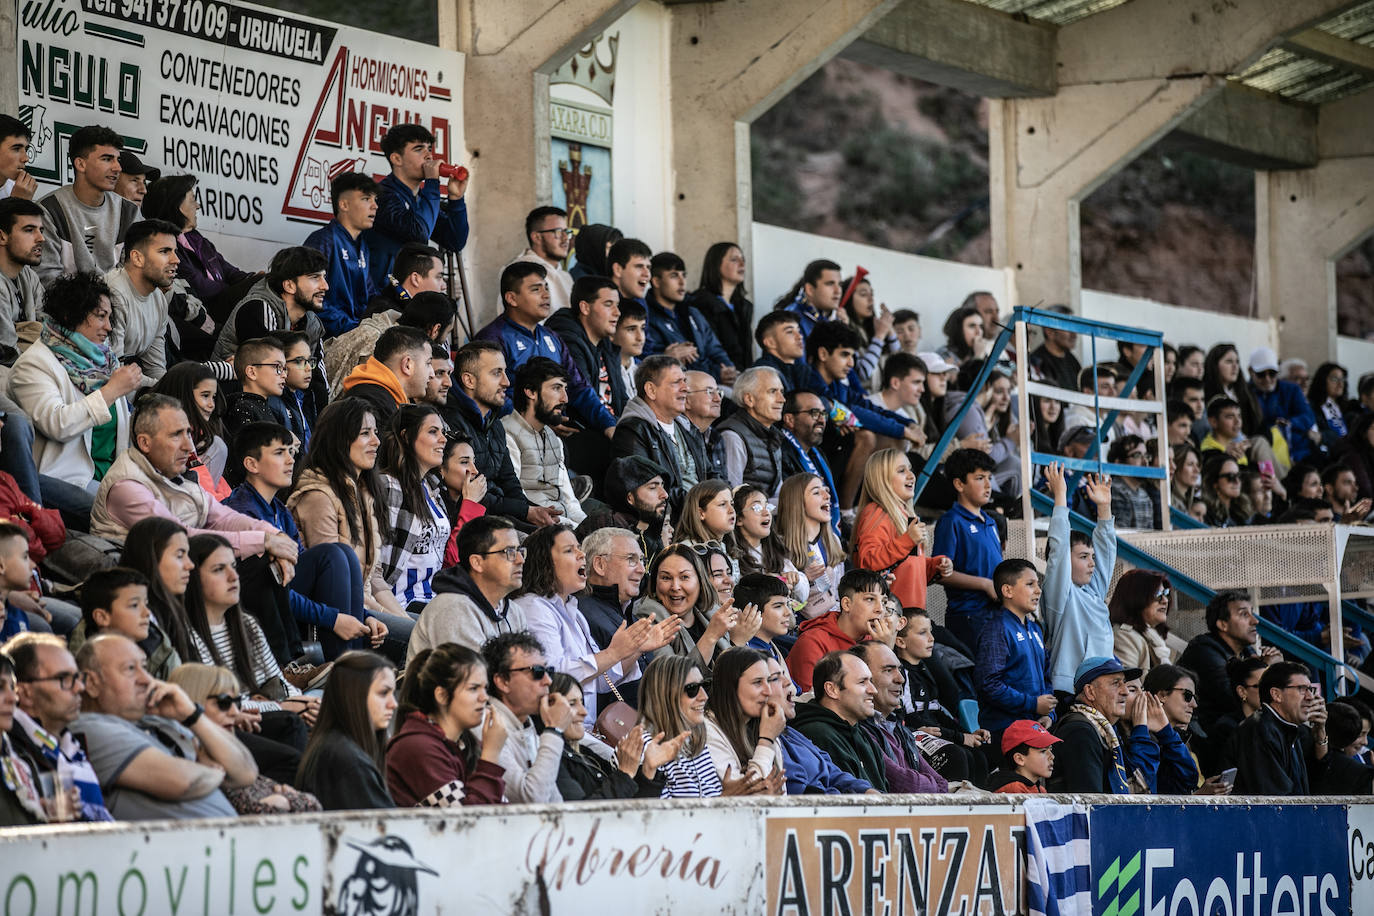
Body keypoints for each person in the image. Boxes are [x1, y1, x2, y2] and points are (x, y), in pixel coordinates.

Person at [224, 422, 386, 661]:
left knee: (341, 552)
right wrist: (334, 619)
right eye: (280, 453)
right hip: (257, 616)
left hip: (288, 608)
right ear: (252, 464)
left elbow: (300, 569)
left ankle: (353, 666)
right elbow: (270, 591)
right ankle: (346, 670)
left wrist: (363, 616)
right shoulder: (242, 514)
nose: (291, 460)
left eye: (291, 452)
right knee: (331, 555)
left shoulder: (278, 508)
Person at [72, 633, 257, 819]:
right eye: (130, 669)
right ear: (92, 683)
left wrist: (192, 716)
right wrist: (214, 770)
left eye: (144, 667)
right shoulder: (90, 728)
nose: (146, 679)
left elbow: (246, 772)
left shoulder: (159, 719)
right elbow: (182, 781)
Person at [512, 524, 673, 725]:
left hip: (584, 731)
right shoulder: (533, 607)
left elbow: (600, 680)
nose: (582, 555)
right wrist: (614, 653)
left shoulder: (574, 611)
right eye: (569, 550)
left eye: (579, 548)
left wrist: (635, 649)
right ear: (545, 560)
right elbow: (552, 676)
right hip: (556, 731)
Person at [8, 272, 136, 517]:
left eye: (109, 318)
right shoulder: (33, 365)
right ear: (70, 316)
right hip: (65, 483)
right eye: (100, 317)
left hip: (113, 479)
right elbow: (57, 424)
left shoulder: (103, 362)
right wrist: (111, 391)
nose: (108, 327)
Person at [287, 399, 410, 642]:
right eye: (365, 433)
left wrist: (401, 620)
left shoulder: (365, 491)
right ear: (340, 439)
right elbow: (334, 584)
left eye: (375, 432)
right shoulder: (318, 496)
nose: (376, 441)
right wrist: (389, 620)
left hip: (367, 610)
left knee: (428, 633)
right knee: (424, 641)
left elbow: (374, 578)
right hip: (340, 620)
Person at [475, 261, 616, 433]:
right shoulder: (493, 338)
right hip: (510, 435)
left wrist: (609, 425)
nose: (546, 295)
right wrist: (538, 419)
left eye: (546, 288)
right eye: (536, 289)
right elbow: (491, 395)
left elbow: (578, 386)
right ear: (511, 298)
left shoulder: (551, 336)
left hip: (552, 430)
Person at [166, 663, 320, 814]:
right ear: (192, 704)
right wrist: (284, 801)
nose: (235, 712)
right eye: (224, 703)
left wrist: (287, 800)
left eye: (237, 702)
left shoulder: (224, 756)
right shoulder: (195, 764)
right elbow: (257, 811)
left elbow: (312, 805)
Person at [805, 321, 922, 507]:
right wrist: (902, 430)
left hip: (837, 454)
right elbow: (854, 413)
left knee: (893, 441)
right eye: (844, 355)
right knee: (866, 437)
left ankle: (883, 507)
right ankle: (845, 511)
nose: (851, 363)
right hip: (817, 459)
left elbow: (867, 407)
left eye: (852, 356)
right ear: (823, 354)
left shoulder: (838, 386)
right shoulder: (811, 383)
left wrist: (908, 423)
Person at [3, 632, 113, 821]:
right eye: (64, 679)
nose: (80, 687)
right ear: (25, 693)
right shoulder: (12, 749)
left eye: (77, 677)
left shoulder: (69, 745)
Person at [386, 643, 507, 807]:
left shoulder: (464, 745)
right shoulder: (418, 748)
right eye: (473, 688)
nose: (484, 697)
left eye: (485, 689)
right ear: (442, 695)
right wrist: (491, 755)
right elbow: (467, 823)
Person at [324, 247, 450, 398]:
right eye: (438, 277)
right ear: (416, 278)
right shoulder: (380, 327)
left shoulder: (401, 316)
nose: (443, 286)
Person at [445, 340, 544, 526]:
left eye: (505, 372)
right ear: (469, 380)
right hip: (474, 525)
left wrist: (530, 512)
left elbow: (509, 481)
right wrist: (525, 512)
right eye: (497, 373)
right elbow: (472, 492)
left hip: (502, 517)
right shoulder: (450, 423)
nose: (506, 382)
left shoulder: (494, 423)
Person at [361, 122, 469, 291]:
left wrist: (456, 199)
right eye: (419, 149)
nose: (429, 156)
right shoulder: (382, 195)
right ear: (396, 158)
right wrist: (432, 183)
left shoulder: (420, 199)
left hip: (408, 295)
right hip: (381, 298)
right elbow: (419, 232)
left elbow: (454, 241)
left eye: (429, 149)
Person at [1038, 464, 1115, 696]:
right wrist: (1060, 497)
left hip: (1104, 690)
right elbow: (1059, 546)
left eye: (1091, 557)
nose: (1092, 563)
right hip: (1070, 691)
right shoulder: (1060, 597)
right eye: (1083, 557)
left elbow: (1106, 552)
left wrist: (1104, 508)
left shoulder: (1093, 594)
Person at [892, 610, 990, 784]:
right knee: (959, 755)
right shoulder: (900, 673)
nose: (932, 638)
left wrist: (969, 734)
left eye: (930, 631)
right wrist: (959, 738)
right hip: (912, 735)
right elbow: (911, 718)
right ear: (900, 641)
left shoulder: (924, 670)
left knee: (980, 754)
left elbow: (937, 712)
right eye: (923, 633)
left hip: (936, 733)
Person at [409, 516, 528, 660]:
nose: (520, 560)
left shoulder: (515, 612)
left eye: (520, 551)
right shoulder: (452, 610)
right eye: (509, 552)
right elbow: (474, 678)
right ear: (477, 562)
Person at [546, 274, 629, 479]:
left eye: (617, 305)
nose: (617, 313)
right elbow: (578, 395)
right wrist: (611, 426)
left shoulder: (605, 345)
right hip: (580, 435)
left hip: (608, 427)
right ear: (585, 307)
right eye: (609, 304)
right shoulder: (567, 340)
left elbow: (622, 397)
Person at [139, 173, 256, 317]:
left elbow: (228, 270)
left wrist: (250, 279)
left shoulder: (196, 238)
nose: (198, 206)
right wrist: (246, 286)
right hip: (207, 311)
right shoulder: (165, 246)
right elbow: (201, 287)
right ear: (178, 206)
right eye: (193, 200)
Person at [852, 448, 951, 613]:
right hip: (890, 619)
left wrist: (934, 566)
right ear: (882, 480)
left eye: (910, 469)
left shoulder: (905, 515)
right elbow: (867, 563)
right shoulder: (876, 512)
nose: (911, 475)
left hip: (911, 617)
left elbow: (906, 569)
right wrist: (907, 540)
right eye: (901, 471)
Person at [296, 650, 397, 810]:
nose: (394, 704)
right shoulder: (349, 762)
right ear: (355, 694)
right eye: (384, 693)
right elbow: (387, 829)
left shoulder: (335, 747)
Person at [37, 126, 140, 282]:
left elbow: (135, 276)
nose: (117, 167)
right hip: (66, 305)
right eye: (107, 159)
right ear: (80, 164)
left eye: (117, 159)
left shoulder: (129, 211)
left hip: (118, 305)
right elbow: (47, 279)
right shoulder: (50, 209)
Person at [479, 630, 572, 803]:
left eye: (548, 671)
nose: (548, 681)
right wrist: (554, 731)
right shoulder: (487, 725)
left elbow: (554, 802)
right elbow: (531, 800)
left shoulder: (526, 725)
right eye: (536, 672)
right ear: (503, 682)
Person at [376, 405, 453, 611]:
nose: (443, 439)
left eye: (443, 432)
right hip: (401, 604)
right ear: (407, 436)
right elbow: (378, 567)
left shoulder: (432, 487)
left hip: (434, 601)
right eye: (432, 432)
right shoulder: (389, 487)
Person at [764, 655, 876, 794]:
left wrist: (866, 790)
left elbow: (833, 772)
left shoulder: (792, 733)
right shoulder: (816, 732)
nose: (788, 682)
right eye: (862, 682)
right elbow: (801, 791)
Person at [974, 559, 1055, 746]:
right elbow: (989, 685)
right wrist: (1032, 704)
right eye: (1030, 584)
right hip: (1005, 730)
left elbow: (1046, 677)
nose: (1038, 590)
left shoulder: (1035, 629)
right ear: (1007, 590)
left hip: (1035, 726)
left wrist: (1048, 713)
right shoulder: (997, 629)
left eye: (1038, 584)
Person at [635, 654, 739, 798]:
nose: (704, 697)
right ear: (665, 694)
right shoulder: (643, 747)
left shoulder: (694, 736)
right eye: (692, 689)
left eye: (705, 686)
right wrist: (723, 801)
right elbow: (660, 817)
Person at [612, 355, 708, 508]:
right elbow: (648, 493)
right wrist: (704, 503)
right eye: (677, 382)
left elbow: (710, 473)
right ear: (651, 390)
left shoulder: (688, 428)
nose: (685, 388)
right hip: (670, 523)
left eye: (685, 381)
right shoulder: (632, 431)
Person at [932, 448, 1003, 651]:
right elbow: (940, 574)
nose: (988, 485)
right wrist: (984, 584)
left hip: (994, 613)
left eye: (989, 477)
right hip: (968, 616)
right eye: (980, 478)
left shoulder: (990, 522)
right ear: (959, 484)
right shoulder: (951, 521)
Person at [854, 641, 948, 792]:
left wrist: (927, 785)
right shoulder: (859, 730)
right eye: (888, 670)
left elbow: (942, 784)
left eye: (900, 670)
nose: (901, 679)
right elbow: (907, 786)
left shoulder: (899, 728)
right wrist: (930, 786)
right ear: (863, 678)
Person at [502, 357, 585, 525]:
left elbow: (570, 501)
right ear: (531, 392)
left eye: (565, 389)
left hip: (565, 524)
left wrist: (589, 529)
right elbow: (518, 500)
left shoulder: (554, 438)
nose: (565, 399)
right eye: (556, 388)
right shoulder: (507, 434)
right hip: (536, 527)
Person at [1047, 656, 1145, 794]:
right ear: (1090, 692)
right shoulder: (1080, 732)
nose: (1125, 691)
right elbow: (1090, 802)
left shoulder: (1105, 730)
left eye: (1124, 683)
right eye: (1116, 683)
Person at [791, 651, 888, 789]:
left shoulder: (862, 734)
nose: (873, 690)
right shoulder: (817, 735)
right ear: (832, 689)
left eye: (871, 681)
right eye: (862, 682)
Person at [1178, 590, 1272, 732]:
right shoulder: (1204, 651)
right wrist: (1272, 669)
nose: (1255, 621)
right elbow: (1233, 699)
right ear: (1223, 625)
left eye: (1252, 613)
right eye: (1244, 614)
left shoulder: (1246, 651)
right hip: (1210, 738)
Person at [1234, 661, 1329, 795]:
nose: (1310, 697)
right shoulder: (1260, 730)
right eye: (1302, 689)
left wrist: (1320, 734)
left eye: (1311, 689)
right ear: (1276, 695)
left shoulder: (1289, 727)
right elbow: (1277, 801)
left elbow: (1317, 783)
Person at [787, 569, 888, 694]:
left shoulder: (874, 641)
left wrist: (883, 650)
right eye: (870, 599)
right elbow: (810, 701)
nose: (880, 609)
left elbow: (885, 696)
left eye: (884, 602)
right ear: (846, 604)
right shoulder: (813, 641)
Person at [104, 219, 179, 385]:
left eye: (175, 251)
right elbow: (114, 373)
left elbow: (155, 367)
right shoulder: (112, 294)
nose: (176, 260)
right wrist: (167, 388)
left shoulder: (159, 298)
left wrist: (171, 390)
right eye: (165, 251)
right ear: (137, 258)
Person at [304, 172, 379, 336]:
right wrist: (354, 328)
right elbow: (309, 296)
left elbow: (371, 296)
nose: (374, 206)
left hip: (355, 332)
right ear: (344, 205)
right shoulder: (323, 240)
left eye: (375, 200)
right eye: (366, 199)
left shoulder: (362, 246)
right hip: (329, 337)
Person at [547, 671, 643, 800]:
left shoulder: (584, 753)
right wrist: (625, 773)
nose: (584, 712)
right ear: (545, 710)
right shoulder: (551, 761)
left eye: (582, 702)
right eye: (571, 704)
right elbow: (584, 814)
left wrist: (649, 771)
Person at [643, 252, 735, 383]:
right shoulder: (647, 316)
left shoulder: (693, 312)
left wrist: (728, 369)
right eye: (674, 276)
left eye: (684, 275)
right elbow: (652, 363)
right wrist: (715, 373)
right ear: (656, 281)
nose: (682, 282)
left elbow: (715, 349)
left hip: (711, 382)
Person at [1142, 664, 1227, 796]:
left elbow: (1187, 781)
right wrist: (1197, 798)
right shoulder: (1143, 738)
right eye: (1187, 696)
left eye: (1195, 697)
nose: (1194, 704)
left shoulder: (1177, 737)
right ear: (1162, 695)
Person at [703, 646, 784, 782]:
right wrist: (766, 741)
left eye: (768, 680)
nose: (768, 691)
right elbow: (745, 798)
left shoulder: (764, 726)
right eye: (758, 682)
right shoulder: (707, 732)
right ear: (731, 686)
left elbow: (779, 792)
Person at [775, 472, 845, 621]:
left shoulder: (833, 540)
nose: (827, 496)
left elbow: (840, 594)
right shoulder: (781, 546)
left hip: (835, 621)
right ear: (797, 502)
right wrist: (804, 580)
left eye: (825, 490)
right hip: (801, 627)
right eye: (816, 492)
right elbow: (781, 602)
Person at [154, 361, 229, 495]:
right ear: (183, 393)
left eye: (214, 397)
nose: (212, 404)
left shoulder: (201, 435)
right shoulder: (213, 446)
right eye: (205, 395)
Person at [579, 455, 672, 561]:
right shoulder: (607, 522)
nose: (665, 494)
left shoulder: (650, 531)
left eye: (663, 486)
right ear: (629, 497)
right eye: (652, 487)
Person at [340, 324, 434, 427]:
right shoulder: (372, 404)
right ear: (407, 365)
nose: (432, 374)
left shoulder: (389, 399)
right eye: (428, 363)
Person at [716, 366, 787, 497]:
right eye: (772, 391)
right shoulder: (732, 436)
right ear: (749, 399)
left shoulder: (773, 435)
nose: (782, 399)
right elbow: (733, 496)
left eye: (781, 392)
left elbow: (777, 492)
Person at [778, 390, 841, 535]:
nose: (822, 420)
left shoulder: (818, 455)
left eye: (824, 414)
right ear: (789, 419)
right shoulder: (781, 452)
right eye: (814, 413)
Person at [1247, 345, 1318, 465]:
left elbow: (1308, 417)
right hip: (1266, 451)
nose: (1267, 379)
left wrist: (1289, 423)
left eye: (1272, 373)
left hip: (1298, 451)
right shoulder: (1246, 393)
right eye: (1261, 374)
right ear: (1250, 371)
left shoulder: (1291, 389)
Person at [687, 242, 753, 370]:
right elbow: (705, 347)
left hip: (742, 377)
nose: (742, 264)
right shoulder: (701, 302)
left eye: (743, 259)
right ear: (716, 264)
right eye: (734, 259)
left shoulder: (744, 306)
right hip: (718, 378)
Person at [0, 198, 45, 366]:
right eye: (29, 230)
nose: (41, 238)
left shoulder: (28, 275)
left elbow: (49, 330)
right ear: (2, 237)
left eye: (41, 230)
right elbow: (7, 353)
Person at [1110, 569, 1177, 673]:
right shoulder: (1124, 637)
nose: (1165, 600)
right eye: (1158, 594)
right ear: (1134, 597)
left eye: (1166, 593)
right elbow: (1126, 685)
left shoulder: (1153, 637)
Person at [223, 337, 287, 445]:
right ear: (252, 372)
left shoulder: (264, 406)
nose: (284, 375)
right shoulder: (242, 408)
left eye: (284, 368)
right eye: (277, 367)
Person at [510, 206, 573, 311]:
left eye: (566, 232)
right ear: (536, 237)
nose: (565, 238)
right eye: (558, 232)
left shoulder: (565, 276)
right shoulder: (520, 273)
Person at [437, 434, 486, 566]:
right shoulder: (433, 505)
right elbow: (452, 561)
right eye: (464, 462)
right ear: (441, 468)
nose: (475, 470)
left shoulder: (463, 503)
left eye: (473, 461)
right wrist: (471, 504)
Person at [271, 330, 324, 449]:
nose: (309, 368)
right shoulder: (273, 403)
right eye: (299, 361)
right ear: (279, 365)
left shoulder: (307, 397)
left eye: (309, 361)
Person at [1314, 700, 1374, 794]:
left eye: (1366, 734)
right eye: (1359, 735)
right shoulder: (1355, 772)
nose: (1365, 742)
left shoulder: (1363, 760)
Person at [988, 719, 1062, 793]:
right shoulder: (1013, 789)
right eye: (1043, 751)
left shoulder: (1040, 789)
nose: (1052, 756)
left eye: (1050, 750)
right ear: (1020, 759)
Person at [776, 259, 842, 340]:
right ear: (810, 289)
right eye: (830, 284)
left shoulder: (837, 319)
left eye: (840, 284)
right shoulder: (790, 320)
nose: (838, 291)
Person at [736, 572, 794, 663]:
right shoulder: (751, 659)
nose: (788, 612)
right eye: (778, 606)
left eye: (787, 604)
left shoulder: (777, 650)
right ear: (752, 612)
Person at [752, 311, 809, 393]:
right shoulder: (765, 375)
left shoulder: (800, 370)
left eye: (799, 331)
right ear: (770, 342)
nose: (800, 336)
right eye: (790, 332)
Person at [612, 299, 647, 400]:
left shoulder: (643, 370)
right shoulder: (603, 372)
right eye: (631, 329)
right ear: (612, 331)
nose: (640, 337)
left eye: (642, 328)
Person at [0, 115, 35, 201]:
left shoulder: (20, 190)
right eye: (16, 149)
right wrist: (18, 203)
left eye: (26, 149)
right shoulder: (20, 194)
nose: (26, 158)